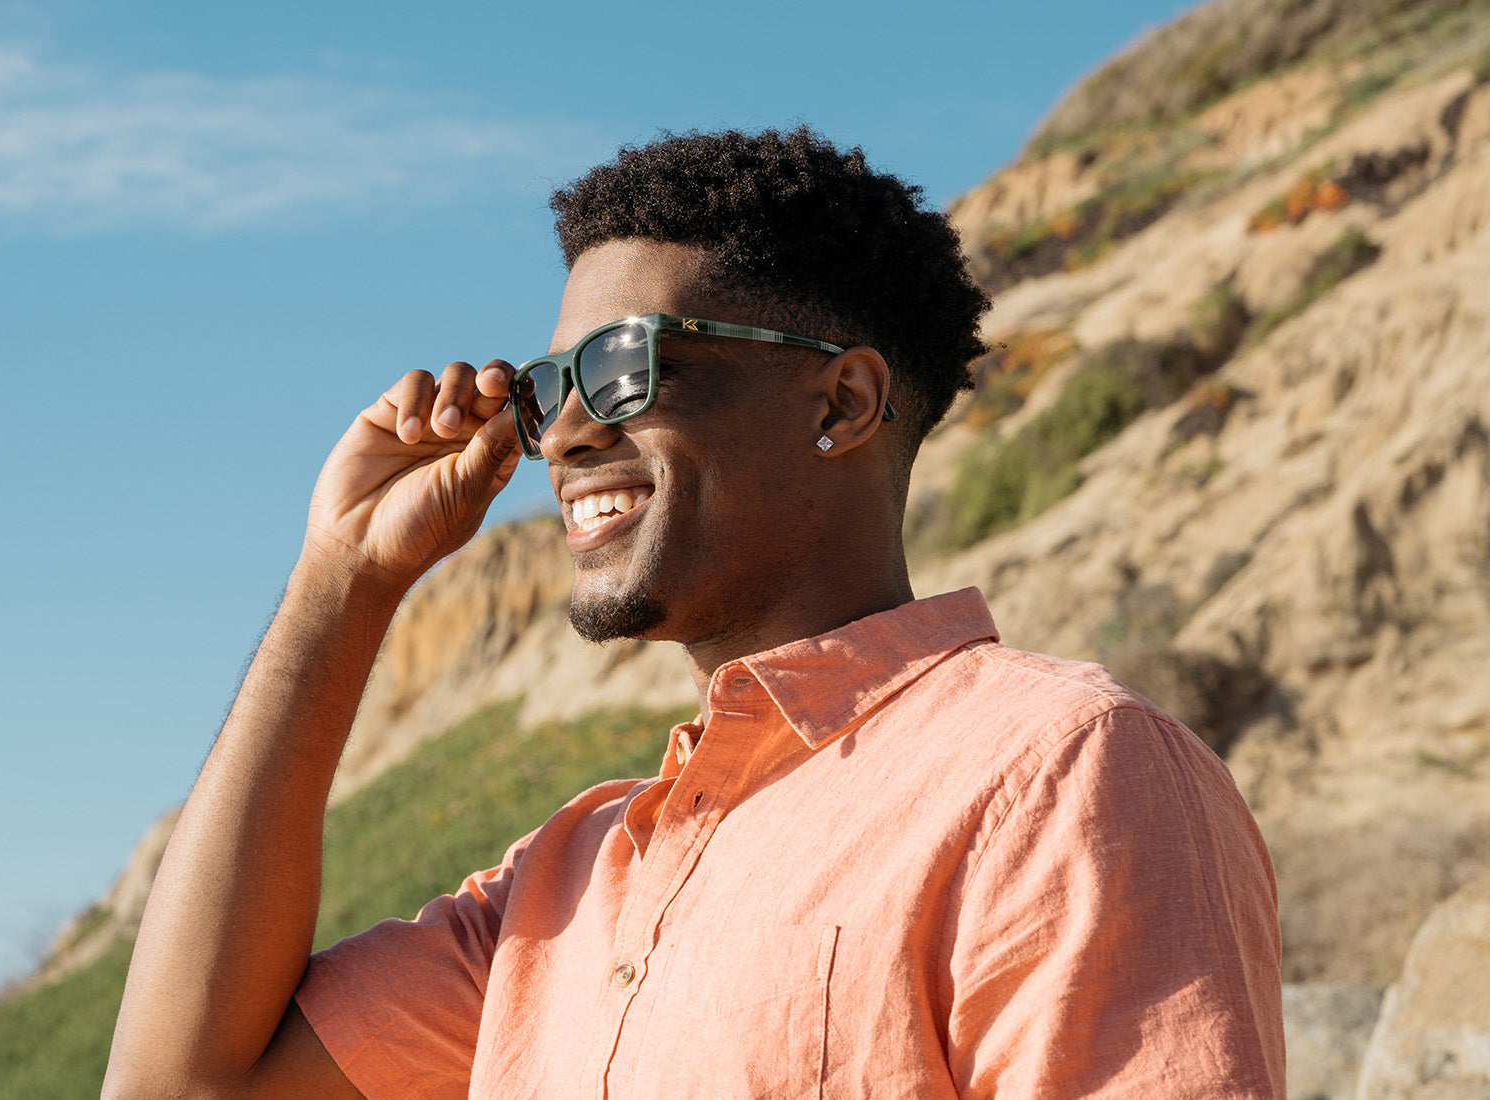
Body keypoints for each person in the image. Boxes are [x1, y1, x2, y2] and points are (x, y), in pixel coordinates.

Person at [104, 127, 1285, 1099]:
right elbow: (186, 1084)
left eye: (623, 366)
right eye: (546, 389)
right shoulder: (563, 887)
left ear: (841, 402)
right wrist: (345, 575)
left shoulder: (1060, 772)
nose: (563, 433)